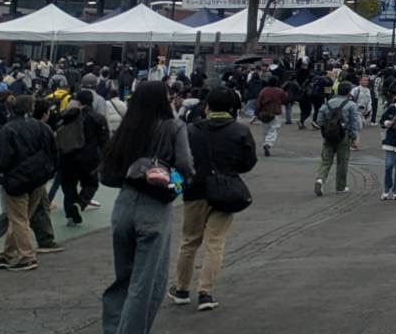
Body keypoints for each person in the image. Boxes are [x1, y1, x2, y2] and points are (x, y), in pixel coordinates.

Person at [98, 81, 193, 334]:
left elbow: (106, 175)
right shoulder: (174, 127)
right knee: (147, 283)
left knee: (124, 279)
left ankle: (113, 328)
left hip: (123, 204)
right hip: (154, 207)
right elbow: (185, 166)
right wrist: (171, 185)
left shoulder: (126, 128)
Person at [170, 87, 256, 311]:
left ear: (207, 107)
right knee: (215, 243)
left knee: (189, 241)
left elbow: (178, 160)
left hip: (195, 190)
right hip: (224, 191)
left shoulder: (190, 130)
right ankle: (205, 293)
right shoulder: (240, 131)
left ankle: (181, 290)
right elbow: (249, 162)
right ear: (232, 108)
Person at [0, 94, 58, 271]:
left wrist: (0, 176)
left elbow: (2, 156)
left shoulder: (8, 129)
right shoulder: (43, 127)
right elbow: (53, 151)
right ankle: (7, 254)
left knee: (18, 218)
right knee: (21, 218)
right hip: (38, 178)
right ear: (31, 109)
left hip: (15, 179)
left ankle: (26, 256)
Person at [56, 89, 109, 224]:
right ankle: (80, 203)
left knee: (69, 187)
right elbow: (104, 141)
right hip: (89, 158)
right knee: (91, 184)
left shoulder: (68, 116)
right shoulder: (98, 118)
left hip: (67, 157)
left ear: (77, 101)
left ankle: (70, 217)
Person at [313, 82, 361, 196]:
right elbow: (354, 123)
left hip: (329, 135)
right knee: (342, 161)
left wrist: (328, 126)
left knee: (326, 160)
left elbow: (319, 121)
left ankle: (320, 179)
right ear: (349, 92)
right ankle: (341, 186)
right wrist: (354, 137)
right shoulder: (351, 105)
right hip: (344, 135)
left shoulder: (328, 103)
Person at [255, 76, 288, 158]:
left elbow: (259, 102)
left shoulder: (264, 91)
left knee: (265, 129)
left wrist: (256, 113)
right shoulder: (280, 91)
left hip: (264, 112)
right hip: (275, 112)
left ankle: (265, 143)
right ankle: (268, 143)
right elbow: (284, 100)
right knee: (273, 129)